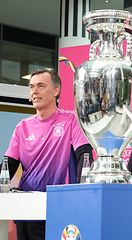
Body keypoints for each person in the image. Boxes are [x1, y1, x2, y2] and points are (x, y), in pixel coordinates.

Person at [4, 69, 93, 240]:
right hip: (26, 207)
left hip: (59, 206)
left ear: (56, 90)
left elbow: (85, 157)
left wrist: (84, 193)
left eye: (40, 86)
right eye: (31, 87)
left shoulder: (71, 120)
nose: (34, 92)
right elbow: (8, 166)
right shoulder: (22, 127)